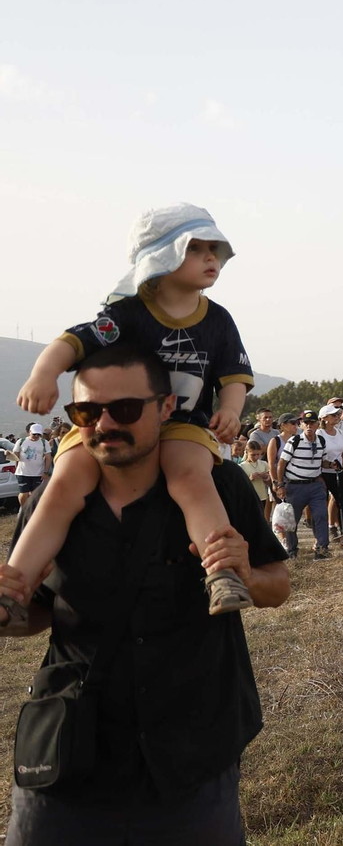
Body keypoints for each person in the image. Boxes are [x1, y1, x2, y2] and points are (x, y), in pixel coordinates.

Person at [0, 346, 289, 845]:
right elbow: (34, 616)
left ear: (165, 408)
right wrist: (8, 611)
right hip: (71, 751)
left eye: (127, 409)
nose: (106, 424)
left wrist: (244, 573)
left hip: (191, 755)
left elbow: (276, 586)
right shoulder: (52, 506)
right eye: (87, 412)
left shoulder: (217, 489)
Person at [6, 204, 255, 619]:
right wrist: (43, 375)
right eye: (196, 248)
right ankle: (14, 588)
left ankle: (223, 573)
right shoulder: (128, 313)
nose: (211, 257)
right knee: (64, 485)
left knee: (190, 476)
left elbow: (233, 374)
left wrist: (230, 409)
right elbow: (73, 342)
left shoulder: (219, 320)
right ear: (163, 254)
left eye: (216, 248)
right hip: (113, 420)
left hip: (183, 424)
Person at [274, 413, 330, 559]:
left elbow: (322, 462)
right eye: (306, 423)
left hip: (315, 485)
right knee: (292, 520)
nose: (309, 426)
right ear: (301, 425)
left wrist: (331, 464)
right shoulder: (295, 441)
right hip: (296, 486)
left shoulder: (321, 441)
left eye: (312, 423)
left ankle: (322, 549)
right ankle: (292, 550)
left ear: (317, 424)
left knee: (321, 515)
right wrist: (280, 484)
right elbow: (281, 463)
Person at [317, 404, 343, 549]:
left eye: (338, 415)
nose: (337, 417)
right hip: (321, 473)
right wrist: (326, 465)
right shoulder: (319, 434)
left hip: (337, 472)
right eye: (333, 415)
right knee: (320, 505)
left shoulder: (340, 433)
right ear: (324, 418)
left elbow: (342, 454)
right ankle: (320, 539)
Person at [5, 424, 52, 507]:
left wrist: (45, 472)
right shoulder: (21, 441)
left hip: (38, 473)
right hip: (23, 472)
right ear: (29, 432)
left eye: (38, 434)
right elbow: (15, 456)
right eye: (34, 434)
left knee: (34, 494)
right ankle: (23, 509)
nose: (36, 436)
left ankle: (32, 510)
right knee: (24, 493)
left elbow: (48, 458)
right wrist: (8, 454)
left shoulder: (44, 443)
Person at [239, 439, 273, 518]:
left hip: (262, 496)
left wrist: (266, 477)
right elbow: (239, 485)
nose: (256, 457)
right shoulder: (242, 466)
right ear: (247, 453)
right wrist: (250, 478)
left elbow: (270, 483)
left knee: (260, 517)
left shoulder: (264, 464)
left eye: (258, 454)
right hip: (248, 497)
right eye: (253, 455)